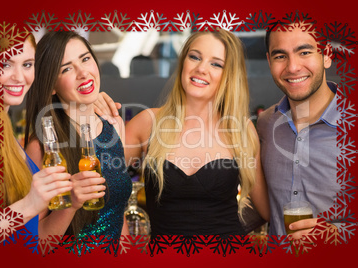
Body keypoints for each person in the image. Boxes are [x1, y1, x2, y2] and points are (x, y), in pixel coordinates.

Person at [96, 29, 269, 236]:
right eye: (194, 57)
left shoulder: (240, 129)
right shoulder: (148, 123)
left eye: (216, 64)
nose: (201, 68)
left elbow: (264, 209)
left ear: (230, 76)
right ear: (183, 63)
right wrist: (87, 111)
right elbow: (96, 188)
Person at [24, 30, 132, 239]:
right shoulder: (42, 148)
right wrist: (71, 204)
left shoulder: (114, 127)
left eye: (85, 59)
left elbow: (119, 213)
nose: (83, 73)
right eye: (66, 69)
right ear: (52, 85)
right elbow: (33, 242)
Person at [257, 22, 341, 238]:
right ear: (269, 61)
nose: (292, 67)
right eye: (280, 56)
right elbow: (263, 206)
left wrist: (337, 235)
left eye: (304, 52)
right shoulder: (265, 124)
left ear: (327, 54)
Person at [0, 34, 73, 239]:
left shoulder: (6, 132)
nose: (19, 76)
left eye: (27, 64)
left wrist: (71, 205)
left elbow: (32, 238)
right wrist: (30, 204)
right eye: (5, 64)